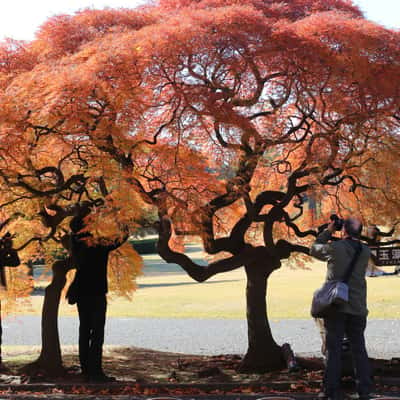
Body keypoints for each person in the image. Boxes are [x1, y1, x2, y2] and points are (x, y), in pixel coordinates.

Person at [310, 217, 372, 400]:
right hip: (358, 306)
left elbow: (314, 249)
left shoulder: (335, 249)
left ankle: (331, 391)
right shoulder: (365, 251)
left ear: (343, 231)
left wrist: (329, 230)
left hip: (336, 306)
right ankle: (365, 390)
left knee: (333, 349)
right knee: (359, 349)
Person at [66, 213, 127, 383]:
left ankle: (87, 369)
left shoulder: (75, 243)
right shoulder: (99, 244)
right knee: (97, 332)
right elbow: (122, 237)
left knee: (84, 330)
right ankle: (96, 371)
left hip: (81, 292)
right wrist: (119, 217)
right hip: (96, 292)